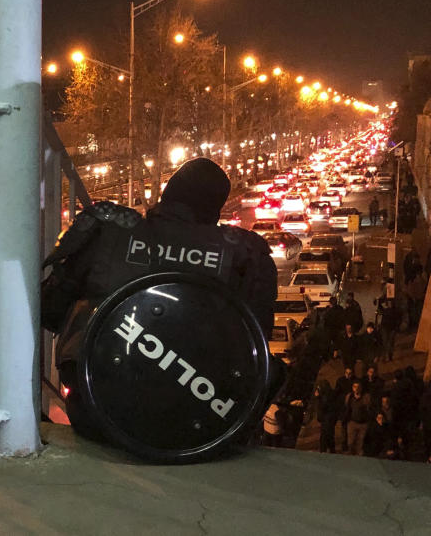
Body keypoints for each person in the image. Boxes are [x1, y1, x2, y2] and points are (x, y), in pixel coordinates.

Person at [42, 158, 279, 439]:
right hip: (197, 426)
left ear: (166, 195)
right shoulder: (245, 254)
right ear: (215, 208)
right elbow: (255, 345)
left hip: (96, 415)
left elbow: (50, 310)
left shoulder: (107, 230)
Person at [345, 381, 373, 456]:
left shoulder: (366, 397)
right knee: (350, 442)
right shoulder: (349, 397)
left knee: (360, 443)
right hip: (352, 422)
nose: (356, 389)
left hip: (363, 423)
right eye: (354, 387)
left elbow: (370, 409)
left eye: (358, 387)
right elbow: (347, 408)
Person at [314, 381, 339, 454]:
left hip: (327, 419)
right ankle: (330, 451)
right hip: (327, 419)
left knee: (325, 436)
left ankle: (325, 451)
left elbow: (323, 407)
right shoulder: (329, 394)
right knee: (329, 436)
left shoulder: (326, 396)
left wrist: (318, 397)